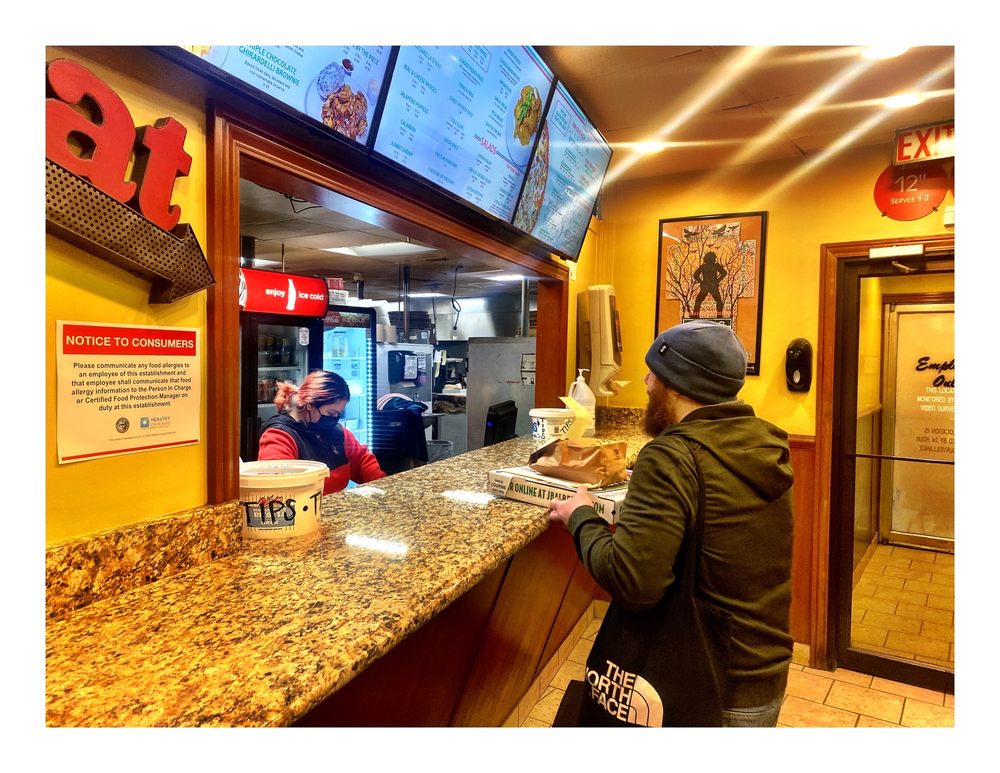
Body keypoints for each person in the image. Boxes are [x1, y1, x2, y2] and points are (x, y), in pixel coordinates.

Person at [548, 320, 794, 727]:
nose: (646, 383)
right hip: (760, 672)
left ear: (678, 384)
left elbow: (633, 581)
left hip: (703, 682)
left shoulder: (671, 457)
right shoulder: (762, 444)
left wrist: (580, 516)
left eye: (654, 373)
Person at [258, 370, 385, 494]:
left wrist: (384, 487)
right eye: (331, 413)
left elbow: (361, 460)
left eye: (338, 413)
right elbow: (279, 487)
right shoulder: (279, 436)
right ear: (309, 404)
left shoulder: (338, 433)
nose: (335, 418)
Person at [692, 251, 727, 318]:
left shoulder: (707, 266)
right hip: (709, 286)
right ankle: (719, 316)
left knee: (699, 301)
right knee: (718, 301)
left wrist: (717, 281)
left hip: (709, 286)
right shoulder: (707, 266)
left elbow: (724, 273)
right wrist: (717, 281)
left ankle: (719, 316)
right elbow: (695, 275)